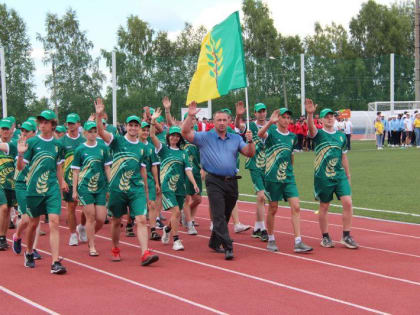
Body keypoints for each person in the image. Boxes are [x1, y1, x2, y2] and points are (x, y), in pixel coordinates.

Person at [181, 102, 255, 260]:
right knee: (218, 214)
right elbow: (185, 132)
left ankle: (214, 241)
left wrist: (250, 141)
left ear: (228, 121)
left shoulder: (235, 138)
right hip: (213, 180)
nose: (221, 123)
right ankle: (228, 246)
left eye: (224, 120)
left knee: (226, 213)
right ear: (213, 122)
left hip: (232, 181)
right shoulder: (205, 137)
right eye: (218, 120)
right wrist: (190, 115)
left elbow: (249, 153)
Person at [95, 98, 158, 266]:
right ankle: (115, 247)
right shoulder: (117, 140)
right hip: (117, 189)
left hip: (136, 189)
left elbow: (143, 169)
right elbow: (101, 132)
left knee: (141, 220)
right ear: (126, 126)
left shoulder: (143, 147)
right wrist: (99, 115)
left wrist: (145, 191)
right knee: (116, 221)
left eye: (136, 125)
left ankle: (145, 252)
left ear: (139, 128)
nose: (133, 128)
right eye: (130, 125)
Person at [17, 110, 67, 273]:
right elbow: (20, 167)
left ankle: (55, 262)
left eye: (46, 122)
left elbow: (58, 167)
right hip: (34, 189)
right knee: (33, 223)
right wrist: (20, 154)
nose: (42, 125)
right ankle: (29, 252)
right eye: (41, 122)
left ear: (53, 125)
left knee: (54, 221)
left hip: (51, 188)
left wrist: (61, 186)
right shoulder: (31, 143)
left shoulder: (58, 144)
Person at [257, 108, 313, 253]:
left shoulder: (293, 137)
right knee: (273, 208)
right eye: (283, 117)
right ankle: (270, 238)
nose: (286, 120)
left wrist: (290, 170)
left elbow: (291, 155)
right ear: (278, 118)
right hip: (272, 178)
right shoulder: (272, 133)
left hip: (288, 178)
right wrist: (270, 122)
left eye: (288, 117)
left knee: (296, 207)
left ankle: (298, 241)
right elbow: (260, 134)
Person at [305, 99, 358, 249]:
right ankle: (325, 237)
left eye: (331, 116)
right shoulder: (318, 134)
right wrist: (310, 114)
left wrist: (348, 176)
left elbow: (344, 157)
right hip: (323, 176)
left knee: (348, 202)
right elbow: (310, 128)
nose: (329, 118)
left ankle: (346, 236)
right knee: (324, 206)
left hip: (339, 175)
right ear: (321, 119)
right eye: (326, 116)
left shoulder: (341, 136)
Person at [150, 108, 199, 250]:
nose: (175, 138)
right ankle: (176, 240)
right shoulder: (163, 149)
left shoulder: (183, 153)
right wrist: (153, 121)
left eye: (177, 136)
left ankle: (167, 229)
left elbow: (188, 170)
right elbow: (152, 136)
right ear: (168, 137)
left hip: (180, 188)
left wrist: (194, 184)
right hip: (167, 187)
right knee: (176, 212)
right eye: (172, 136)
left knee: (176, 214)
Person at [71, 121, 112, 256]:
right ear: (85, 133)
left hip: (100, 187)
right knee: (91, 216)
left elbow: (107, 167)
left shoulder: (102, 148)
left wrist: (110, 185)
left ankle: (89, 235)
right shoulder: (80, 149)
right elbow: (76, 171)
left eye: (95, 131)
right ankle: (92, 245)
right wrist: (74, 190)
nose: (93, 134)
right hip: (85, 187)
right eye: (90, 131)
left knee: (101, 218)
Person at [236, 102, 268, 241]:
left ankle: (257, 227)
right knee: (261, 196)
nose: (261, 113)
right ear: (254, 113)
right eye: (259, 111)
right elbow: (238, 126)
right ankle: (264, 228)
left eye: (263, 111)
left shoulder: (270, 126)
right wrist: (239, 115)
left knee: (263, 198)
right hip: (254, 163)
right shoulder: (250, 126)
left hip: (268, 165)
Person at [12, 121, 42, 259]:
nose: (24, 133)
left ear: (34, 133)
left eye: (27, 131)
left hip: (36, 185)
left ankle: (33, 249)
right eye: (23, 131)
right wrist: (20, 153)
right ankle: (17, 236)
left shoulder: (39, 146)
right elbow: (19, 166)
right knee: (26, 219)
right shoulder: (17, 144)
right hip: (22, 184)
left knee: (35, 219)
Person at [59, 113, 87, 246]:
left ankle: (81, 226)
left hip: (83, 179)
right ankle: (72, 234)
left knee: (86, 208)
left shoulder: (83, 141)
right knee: (71, 207)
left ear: (78, 124)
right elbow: (58, 163)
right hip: (68, 179)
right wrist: (62, 181)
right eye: (68, 123)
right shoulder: (62, 142)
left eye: (73, 123)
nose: (70, 125)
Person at [138, 121, 161, 241]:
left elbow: (154, 166)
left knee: (151, 204)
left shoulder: (151, 148)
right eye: (143, 130)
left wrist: (157, 182)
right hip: (135, 180)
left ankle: (152, 230)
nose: (146, 132)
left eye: (147, 130)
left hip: (150, 180)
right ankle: (129, 224)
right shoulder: (134, 145)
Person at [0, 118, 18, 251]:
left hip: (10, 183)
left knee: (7, 212)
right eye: (3, 129)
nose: (5, 131)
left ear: (11, 130)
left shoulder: (14, 146)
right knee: (4, 208)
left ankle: (3, 237)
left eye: (7, 129)